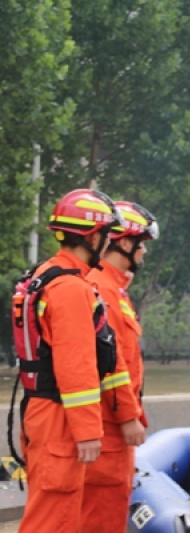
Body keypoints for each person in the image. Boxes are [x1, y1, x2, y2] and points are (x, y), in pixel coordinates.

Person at [17, 189, 121, 533]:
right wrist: (89, 432)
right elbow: (75, 366)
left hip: (41, 412)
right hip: (58, 420)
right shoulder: (71, 289)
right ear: (93, 236)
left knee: (51, 512)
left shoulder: (43, 276)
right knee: (53, 521)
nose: (109, 246)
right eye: (108, 237)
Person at [82, 200, 158, 531]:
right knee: (102, 516)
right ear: (125, 242)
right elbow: (111, 367)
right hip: (108, 427)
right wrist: (129, 417)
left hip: (110, 426)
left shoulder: (113, 289)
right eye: (141, 245)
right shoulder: (104, 291)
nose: (143, 253)